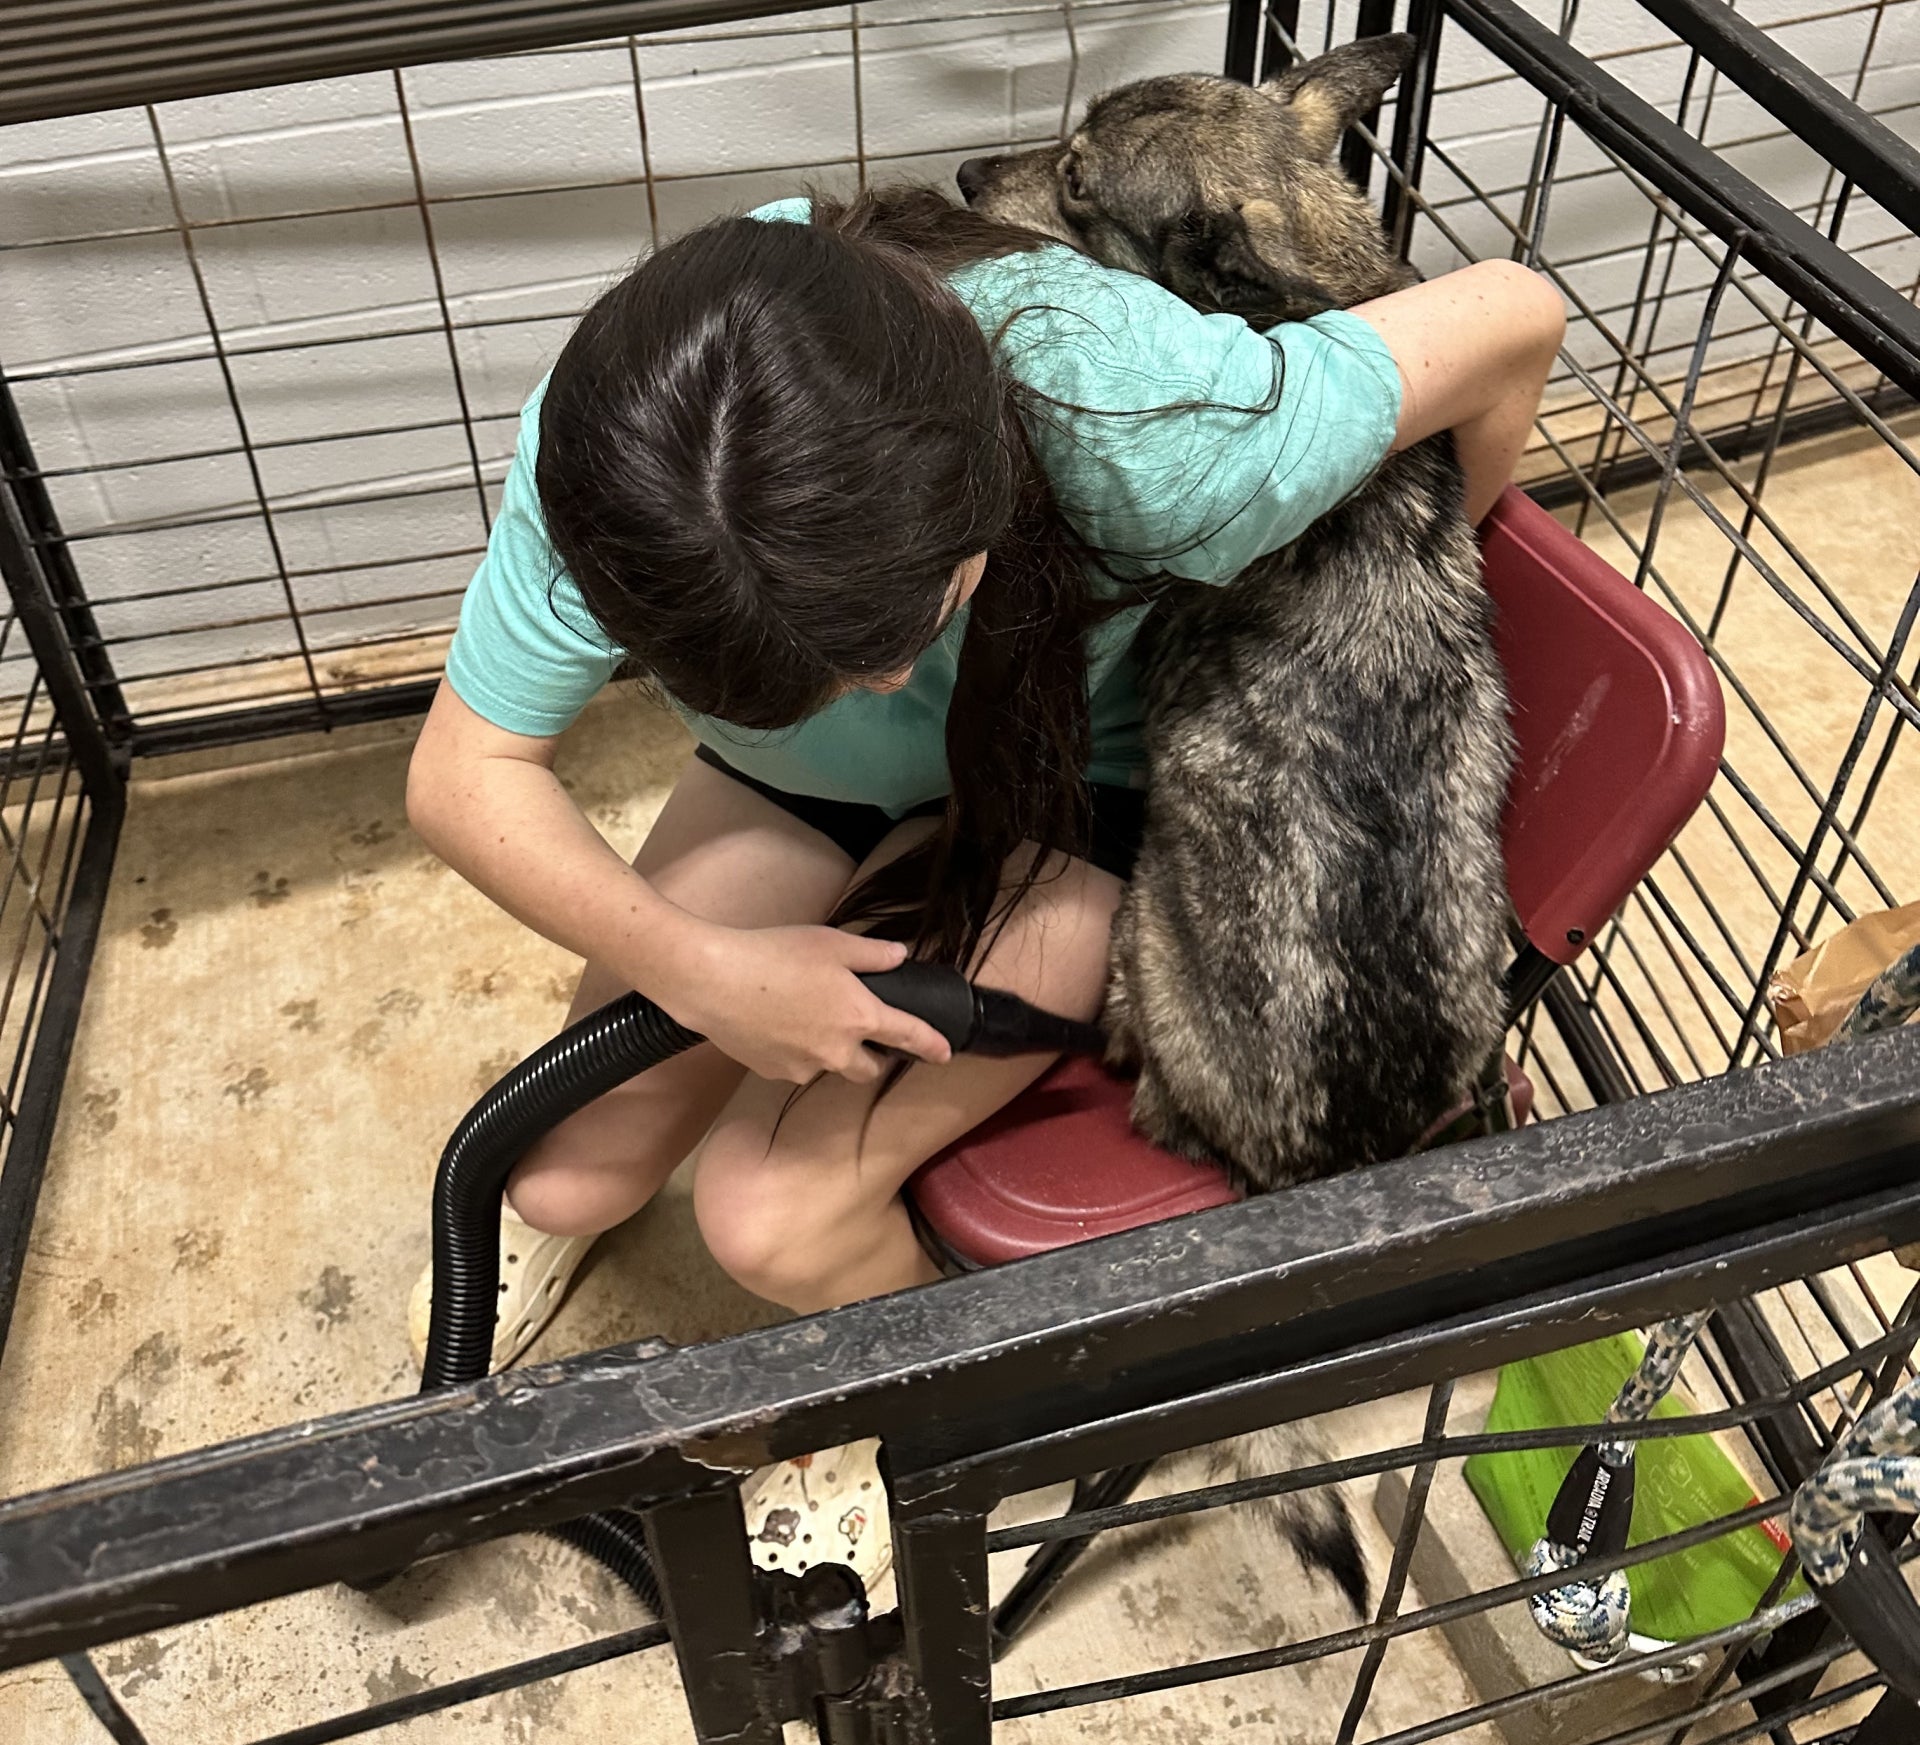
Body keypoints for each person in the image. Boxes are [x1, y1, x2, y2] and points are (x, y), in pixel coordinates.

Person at [406, 186, 1565, 1582]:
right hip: (822, 776)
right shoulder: (633, 461)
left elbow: (1515, 315)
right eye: (839, 662)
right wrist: (707, 969)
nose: (896, 674)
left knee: (767, 1216)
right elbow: (461, 774)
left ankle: (913, 1412)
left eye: (909, 624)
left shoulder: (1165, 429)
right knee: (566, 1175)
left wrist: (1380, 592)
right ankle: (816, 846)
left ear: (983, 491)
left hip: (1079, 781)